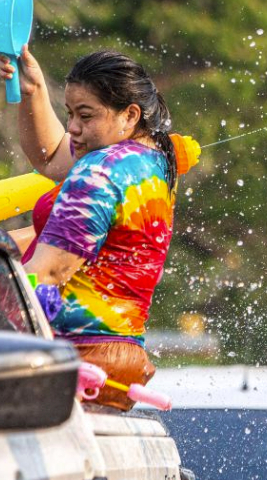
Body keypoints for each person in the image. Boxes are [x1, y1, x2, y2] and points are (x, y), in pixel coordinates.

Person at [1, 46, 198, 410]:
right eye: (70, 113)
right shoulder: (150, 162)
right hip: (119, 359)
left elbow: (50, 271)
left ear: (130, 115)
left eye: (85, 115)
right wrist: (34, 91)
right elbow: (52, 157)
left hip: (70, 359)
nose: (73, 127)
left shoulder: (99, 172)